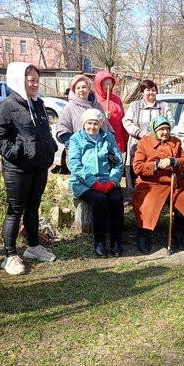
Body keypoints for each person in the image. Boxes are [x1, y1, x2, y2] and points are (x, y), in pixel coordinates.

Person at [0, 62, 57, 275]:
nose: (35, 84)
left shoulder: (38, 104)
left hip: (39, 167)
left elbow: (43, 132)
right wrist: (18, 152)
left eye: (37, 80)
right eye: (31, 81)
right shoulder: (6, 106)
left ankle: (33, 247)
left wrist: (50, 147)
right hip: (17, 170)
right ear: (19, 80)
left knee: (33, 208)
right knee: (15, 211)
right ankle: (9, 257)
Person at [132, 116, 184, 254]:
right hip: (151, 183)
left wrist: (173, 161)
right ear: (154, 130)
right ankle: (143, 233)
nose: (165, 132)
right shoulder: (144, 143)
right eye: (161, 129)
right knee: (146, 204)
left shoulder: (176, 142)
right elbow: (137, 167)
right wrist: (156, 165)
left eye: (167, 129)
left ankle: (179, 231)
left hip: (174, 182)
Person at [68, 109, 124, 257]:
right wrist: (94, 183)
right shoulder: (76, 139)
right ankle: (99, 241)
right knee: (100, 200)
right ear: (84, 124)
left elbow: (118, 162)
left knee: (116, 199)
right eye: (89, 123)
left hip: (107, 179)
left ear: (100, 125)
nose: (92, 127)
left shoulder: (108, 138)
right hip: (83, 182)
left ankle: (116, 241)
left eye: (96, 124)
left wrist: (113, 181)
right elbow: (75, 165)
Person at [122, 79, 174, 188]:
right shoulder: (134, 106)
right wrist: (139, 132)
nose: (151, 93)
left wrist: (158, 134)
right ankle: (132, 196)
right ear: (142, 92)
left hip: (157, 145)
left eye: (153, 90)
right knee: (135, 167)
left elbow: (171, 122)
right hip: (136, 143)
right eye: (148, 90)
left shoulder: (163, 106)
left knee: (152, 167)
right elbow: (126, 121)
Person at [56, 74, 111, 148]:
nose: (81, 90)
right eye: (78, 88)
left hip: (100, 151)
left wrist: (109, 143)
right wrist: (78, 144)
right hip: (80, 153)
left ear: (89, 88)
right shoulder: (69, 108)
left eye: (84, 87)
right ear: (74, 91)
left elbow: (107, 127)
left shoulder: (97, 106)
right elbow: (62, 131)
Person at [94, 70, 128, 154]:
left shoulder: (116, 99)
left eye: (111, 84)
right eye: (106, 84)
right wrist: (103, 118)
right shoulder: (94, 100)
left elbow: (123, 118)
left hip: (119, 140)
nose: (109, 86)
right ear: (99, 85)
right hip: (104, 141)